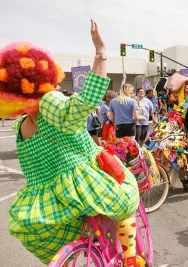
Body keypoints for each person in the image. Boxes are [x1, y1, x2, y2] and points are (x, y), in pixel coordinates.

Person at [3, 21, 143, 266]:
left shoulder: (21, 125)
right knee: (127, 200)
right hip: (87, 185)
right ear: (41, 80)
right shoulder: (50, 103)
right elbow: (87, 100)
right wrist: (100, 51)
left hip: (53, 201)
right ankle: (131, 259)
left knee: (65, 240)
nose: (57, 86)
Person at [149, 73, 188, 192]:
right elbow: (159, 88)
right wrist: (165, 77)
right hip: (166, 125)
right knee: (160, 150)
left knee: (179, 154)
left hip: (179, 129)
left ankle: (184, 181)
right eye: (187, 84)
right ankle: (158, 177)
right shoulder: (174, 97)